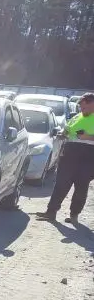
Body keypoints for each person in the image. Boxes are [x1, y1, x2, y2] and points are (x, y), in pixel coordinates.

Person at [36, 92, 94, 224]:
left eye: (84, 107)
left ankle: (74, 215)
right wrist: (63, 133)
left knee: (81, 185)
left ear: (92, 104)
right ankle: (51, 212)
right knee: (61, 182)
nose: (82, 110)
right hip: (70, 151)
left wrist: (88, 137)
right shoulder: (78, 116)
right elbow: (67, 129)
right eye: (81, 108)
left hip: (89, 155)